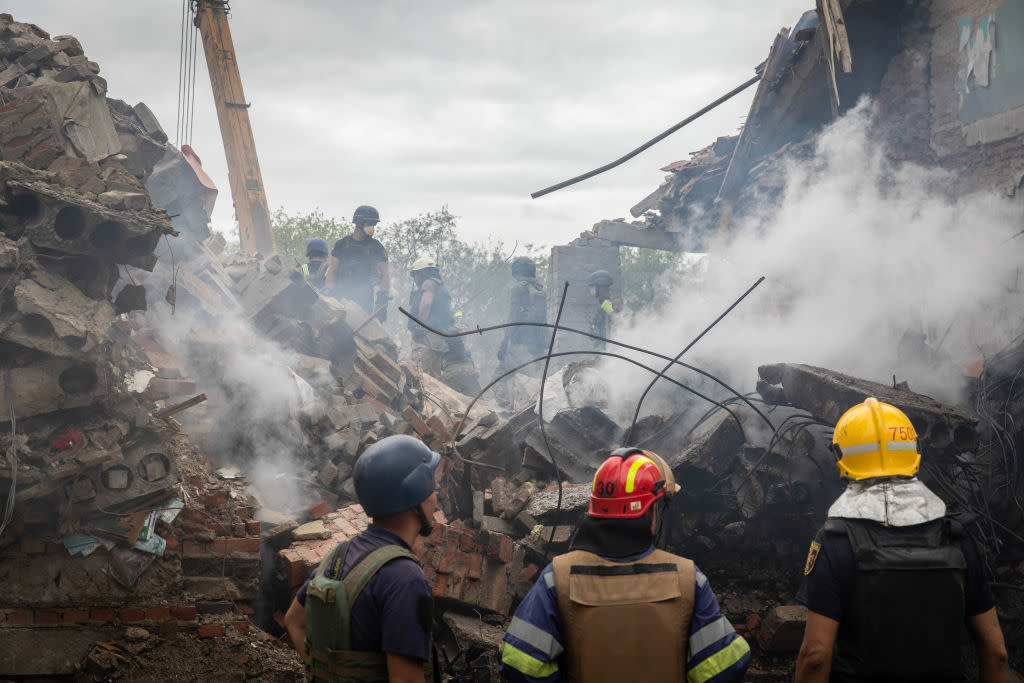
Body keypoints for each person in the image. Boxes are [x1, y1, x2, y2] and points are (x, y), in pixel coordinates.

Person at [795, 397, 1008, 683]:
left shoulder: (834, 542)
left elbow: (815, 657)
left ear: (841, 457)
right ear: (915, 452)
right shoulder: (957, 537)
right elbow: (996, 653)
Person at [500, 447, 751, 683]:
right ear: (651, 511)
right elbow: (726, 667)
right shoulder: (688, 578)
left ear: (595, 508)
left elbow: (520, 665)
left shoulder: (558, 578)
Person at [283, 434, 439, 682]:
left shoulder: (339, 555)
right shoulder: (406, 579)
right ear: (414, 496)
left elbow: (293, 621)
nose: (435, 497)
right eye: (431, 487)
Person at [326, 205, 390, 319]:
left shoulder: (376, 247)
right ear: (359, 223)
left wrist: (383, 300)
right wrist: (329, 295)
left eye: (374, 225)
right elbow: (332, 270)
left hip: (364, 300)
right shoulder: (341, 244)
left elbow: (385, 274)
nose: (372, 228)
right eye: (369, 224)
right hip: (341, 297)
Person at [498, 257, 547, 376]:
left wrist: (504, 343)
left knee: (500, 379)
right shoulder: (540, 290)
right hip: (538, 345)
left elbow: (513, 316)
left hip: (520, 342)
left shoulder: (518, 288)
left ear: (517, 272)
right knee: (532, 379)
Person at [586, 270, 616, 349]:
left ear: (601, 287)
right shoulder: (601, 306)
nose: (591, 290)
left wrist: (611, 311)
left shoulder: (611, 305)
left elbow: (618, 322)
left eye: (593, 287)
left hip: (611, 353)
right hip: (601, 352)